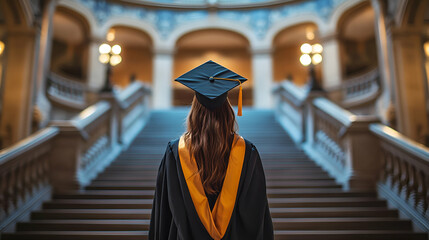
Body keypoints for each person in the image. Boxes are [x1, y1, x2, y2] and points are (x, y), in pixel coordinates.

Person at [149, 60, 274, 240]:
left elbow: (163, 214)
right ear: (228, 111)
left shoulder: (175, 152)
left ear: (195, 110)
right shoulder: (247, 152)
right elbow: (257, 214)